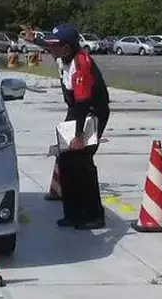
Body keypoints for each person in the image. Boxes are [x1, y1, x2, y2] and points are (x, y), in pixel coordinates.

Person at [22, 24, 110, 229]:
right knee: (65, 161)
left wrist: (78, 136)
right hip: (76, 110)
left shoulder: (80, 64)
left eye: (54, 46)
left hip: (90, 113)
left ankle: (94, 215)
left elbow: (83, 103)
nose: (49, 50)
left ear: (67, 48)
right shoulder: (63, 56)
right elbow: (49, 44)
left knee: (82, 162)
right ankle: (73, 213)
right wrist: (34, 40)